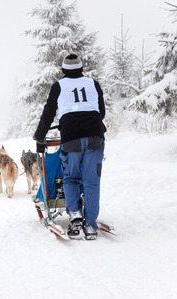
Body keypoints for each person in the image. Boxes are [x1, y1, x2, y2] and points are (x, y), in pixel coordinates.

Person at [33, 53, 106, 240]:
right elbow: (101, 112)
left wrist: (39, 135)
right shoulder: (93, 84)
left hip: (71, 138)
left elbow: (48, 113)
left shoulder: (58, 86)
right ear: (82, 68)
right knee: (91, 181)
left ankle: (75, 217)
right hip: (95, 136)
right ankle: (90, 225)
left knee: (71, 177)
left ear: (63, 70)